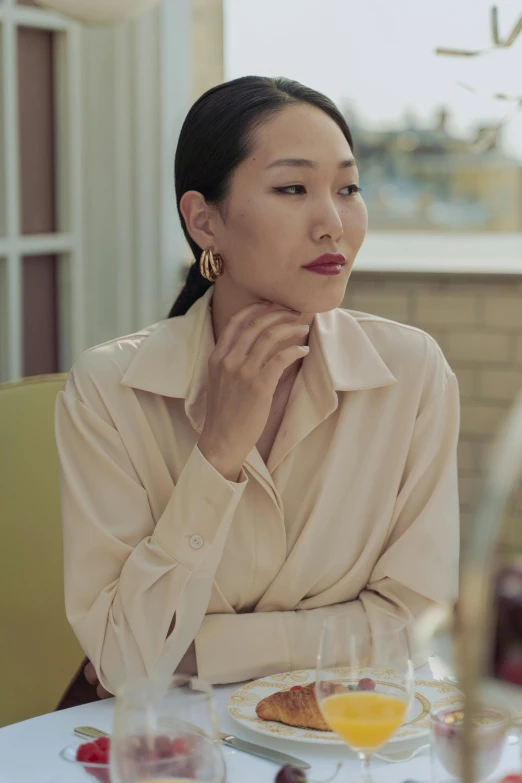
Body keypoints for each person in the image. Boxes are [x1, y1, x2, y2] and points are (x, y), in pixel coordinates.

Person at [55, 76, 460, 700]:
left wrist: (201, 649)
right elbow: (128, 664)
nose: (333, 224)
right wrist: (217, 455)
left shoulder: (412, 373)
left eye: (348, 188)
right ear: (203, 220)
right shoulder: (109, 391)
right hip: (170, 753)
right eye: (293, 188)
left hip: (347, 742)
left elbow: (414, 625)